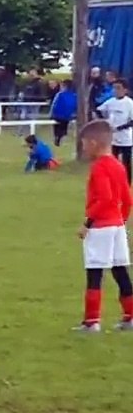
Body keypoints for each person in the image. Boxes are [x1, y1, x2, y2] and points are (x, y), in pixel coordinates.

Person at [74, 119, 133, 332]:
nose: (83, 148)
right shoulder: (118, 165)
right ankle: (130, 316)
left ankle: (92, 321)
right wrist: (121, 220)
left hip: (100, 226)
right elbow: (127, 199)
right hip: (117, 225)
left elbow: (105, 198)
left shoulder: (99, 167)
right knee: (120, 270)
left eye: (84, 144)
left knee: (95, 272)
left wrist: (87, 223)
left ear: (93, 143)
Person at [97, 79, 133, 183]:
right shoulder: (110, 102)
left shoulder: (129, 103)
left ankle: (127, 183)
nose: (115, 90)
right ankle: (113, 181)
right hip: (112, 138)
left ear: (125, 90)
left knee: (126, 162)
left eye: (118, 88)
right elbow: (99, 110)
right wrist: (104, 121)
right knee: (112, 161)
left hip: (125, 138)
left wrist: (119, 128)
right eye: (114, 88)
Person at [50, 79, 78, 147]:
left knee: (57, 126)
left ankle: (57, 137)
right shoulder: (74, 95)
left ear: (64, 86)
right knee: (64, 126)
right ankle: (61, 137)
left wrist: (51, 114)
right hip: (68, 116)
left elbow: (54, 105)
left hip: (58, 116)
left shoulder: (59, 94)